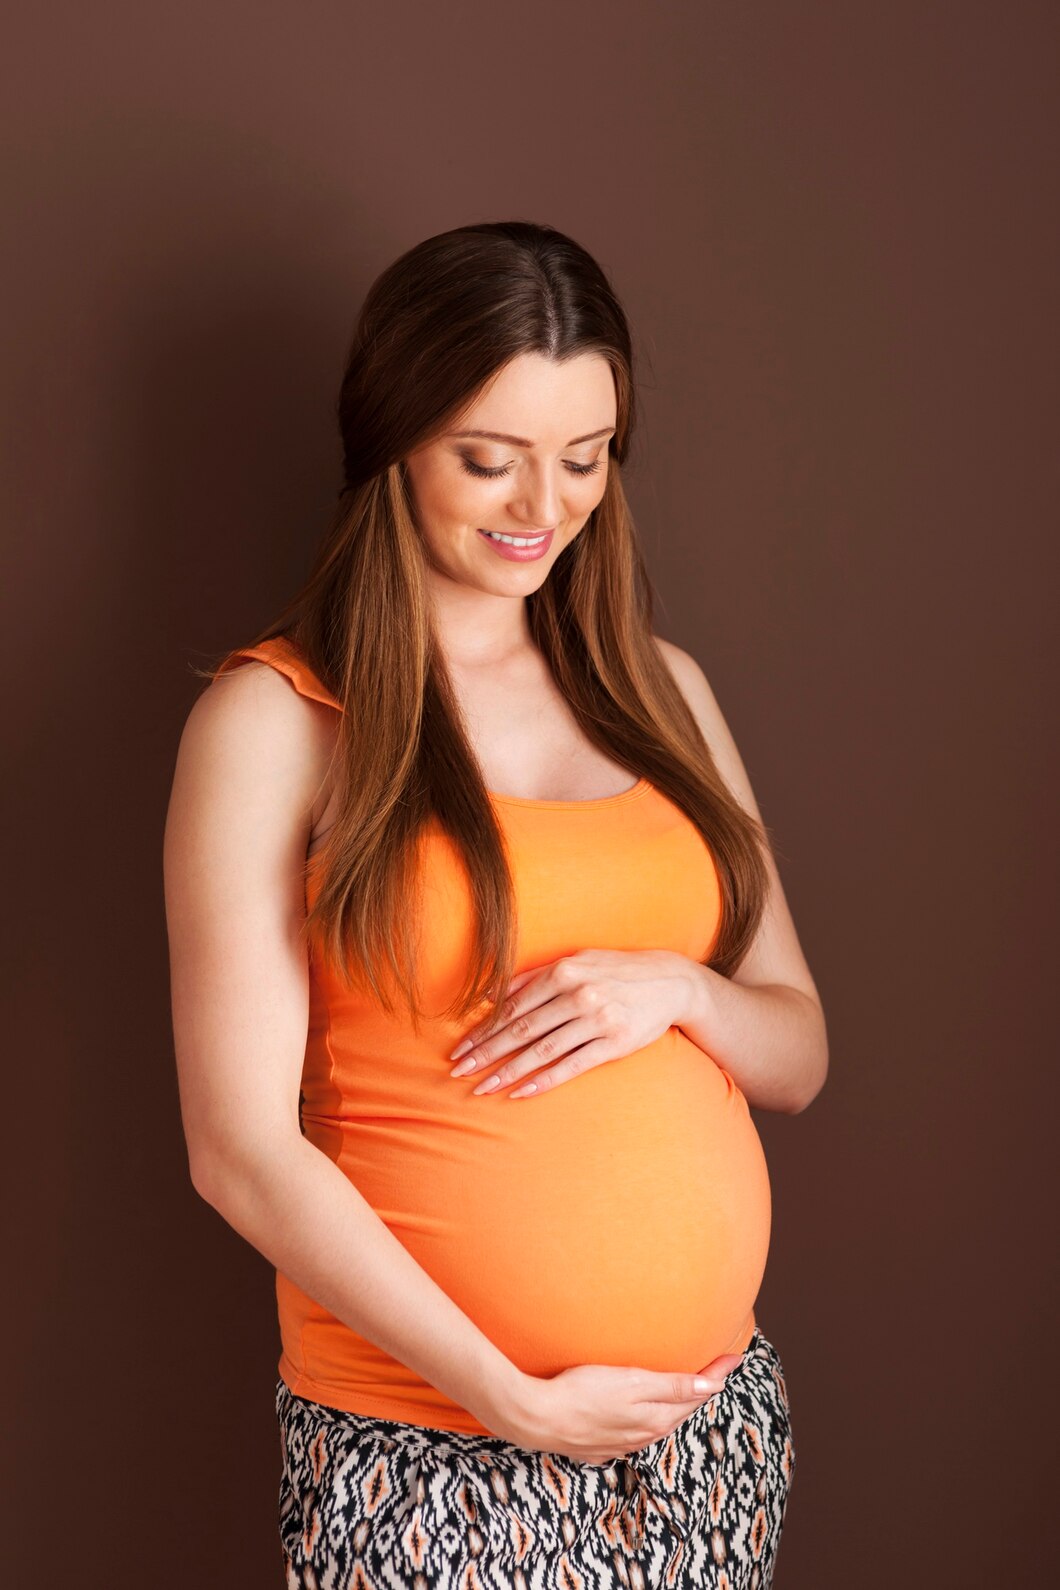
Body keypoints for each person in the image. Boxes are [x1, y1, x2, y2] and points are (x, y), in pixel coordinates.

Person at [164, 219, 828, 1589]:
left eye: (585, 458)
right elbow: (239, 1147)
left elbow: (799, 1051)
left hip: (701, 1442)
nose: (544, 502)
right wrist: (507, 1396)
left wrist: (683, 988)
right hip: (431, 1451)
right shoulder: (279, 722)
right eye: (491, 456)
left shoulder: (665, 693)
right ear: (393, 437)